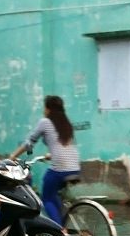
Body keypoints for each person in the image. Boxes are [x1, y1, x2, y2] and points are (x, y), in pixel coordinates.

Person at [8, 95, 80, 227]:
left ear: (48, 109)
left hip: (60, 169)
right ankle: (63, 224)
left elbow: (29, 143)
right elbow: (64, 147)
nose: (44, 110)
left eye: (45, 107)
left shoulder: (45, 122)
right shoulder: (66, 124)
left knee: (46, 197)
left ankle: (59, 231)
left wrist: (12, 156)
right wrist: (50, 155)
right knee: (54, 195)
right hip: (75, 167)